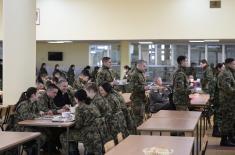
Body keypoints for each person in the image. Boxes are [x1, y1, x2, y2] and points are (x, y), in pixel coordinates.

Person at [60, 89, 103, 155]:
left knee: (64, 135)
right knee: (70, 134)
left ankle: (73, 153)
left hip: (87, 134)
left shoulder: (79, 108)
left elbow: (78, 125)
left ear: (77, 99)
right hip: (98, 131)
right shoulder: (92, 105)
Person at [13, 87, 47, 155]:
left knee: (47, 132)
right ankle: (31, 149)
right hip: (20, 127)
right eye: (38, 93)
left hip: (29, 125)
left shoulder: (33, 103)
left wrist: (40, 113)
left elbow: (37, 112)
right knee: (41, 136)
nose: (39, 95)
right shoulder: (24, 104)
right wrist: (38, 115)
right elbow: (26, 117)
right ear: (33, 95)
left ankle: (32, 149)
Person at [218, 58, 235, 146]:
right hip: (227, 101)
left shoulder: (230, 72)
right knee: (227, 120)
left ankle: (231, 138)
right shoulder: (225, 73)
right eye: (233, 64)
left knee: (231, 120)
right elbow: (227, 88)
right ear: (228, 64)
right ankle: (224, 140)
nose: (234, 66)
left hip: (230, 101)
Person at [129, 60, 149, 127]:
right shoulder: (134, 74)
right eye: (144, 66)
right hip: (136, 100)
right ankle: (136, 135)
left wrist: (146, 87)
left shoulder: (140, 73)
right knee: (137, 119)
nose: (145, 68)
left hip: (141, 99)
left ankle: (140, 134)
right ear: (139, 65)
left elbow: (141, 84)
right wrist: (144, 88)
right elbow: (132, 87)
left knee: (141, 118)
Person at [212, 63, 225, 137]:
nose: (224, 69)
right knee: (217, 115)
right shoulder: (217, 77)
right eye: (223, 68)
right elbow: (214, 89)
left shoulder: (219, 76)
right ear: (219, 69)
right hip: (218, 99)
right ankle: (216, 131)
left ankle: (217, 130)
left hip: (219, 98)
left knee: (218, 115)